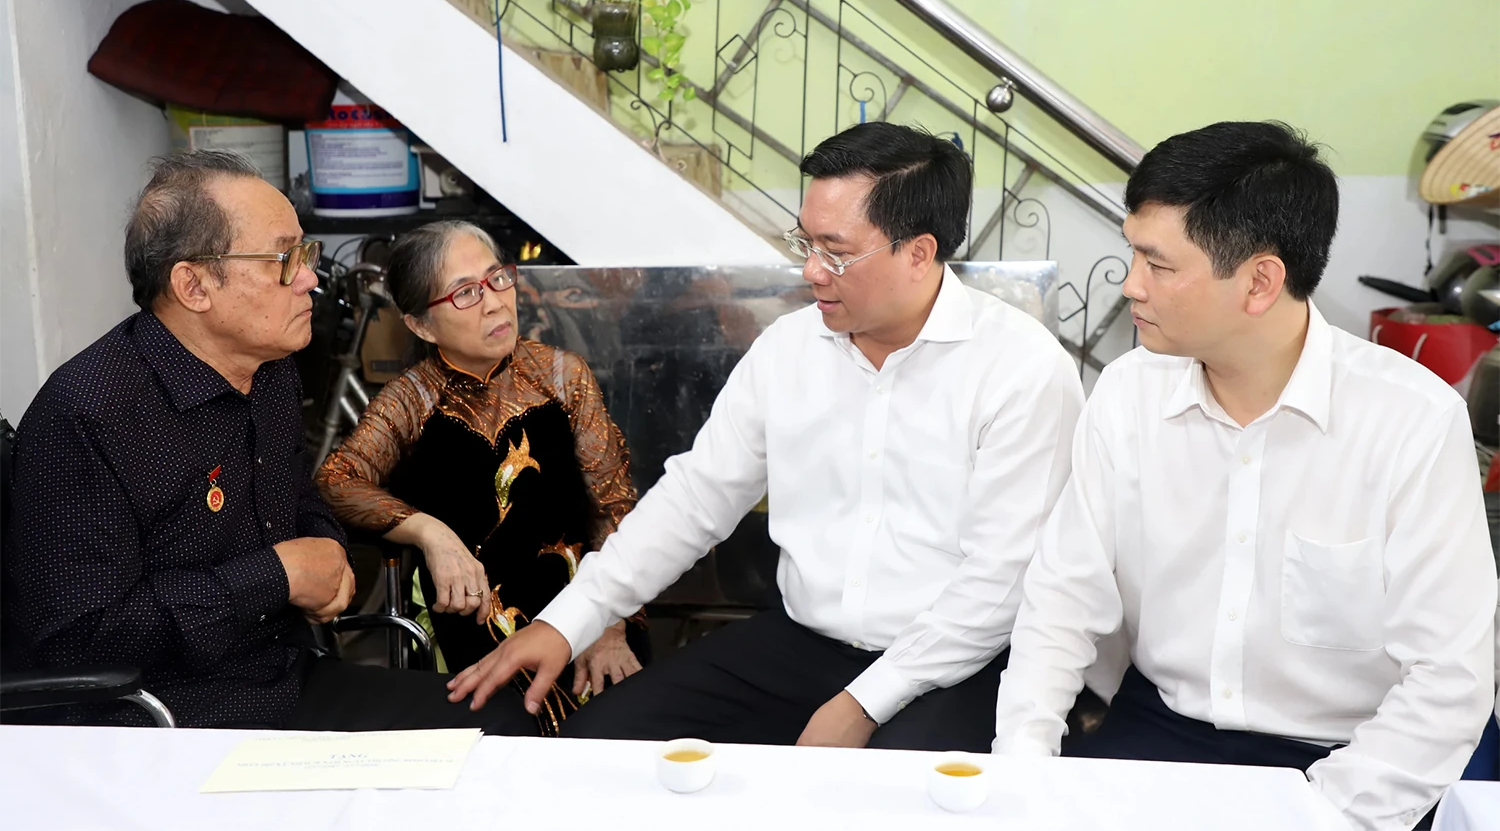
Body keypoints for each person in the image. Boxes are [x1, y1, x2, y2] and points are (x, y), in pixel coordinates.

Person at [448, 121, 1086, 752]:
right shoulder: (789, 347)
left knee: (880, 803)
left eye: (835, 251)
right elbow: (697, 500)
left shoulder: (1020, 368)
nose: (811, 271)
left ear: (918, 253)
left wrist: (864, 703)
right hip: (801, 645)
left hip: (959, 662)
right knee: (601, 747)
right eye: (804, 242)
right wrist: (569, 620)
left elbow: (1000, 580)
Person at [990, 121, 1496, 830]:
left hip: (1348, 753)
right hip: (1164, 729)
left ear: (1261, 280)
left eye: (1158, 265)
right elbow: (1061, 601)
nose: (1131, 285)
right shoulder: (1129, 394)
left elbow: (1448, 683)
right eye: (1132, 253)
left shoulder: (1411, 421)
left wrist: (1323, 818)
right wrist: (1023, 767)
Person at [2, 151, 532, 733]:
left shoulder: (270, 370)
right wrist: (277, 575)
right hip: (172, 719)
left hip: (286, 676)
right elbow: (81, 640)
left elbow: (300, 503)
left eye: (305, 253)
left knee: (505, 719)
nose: (308, 277)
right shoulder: (86, 415)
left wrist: (327, 556)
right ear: (194, 285)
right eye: (285, 259)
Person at [315, 221, 646, 736]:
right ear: (422, 325)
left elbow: (614, 505)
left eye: (497, 279)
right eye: (466, 293)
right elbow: (338, 481)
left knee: (618, 738)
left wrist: (610, 621)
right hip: (473, 623)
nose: (494, 303)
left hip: (587, 604)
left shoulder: (562, 376)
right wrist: (429, 532)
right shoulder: (413, 398)